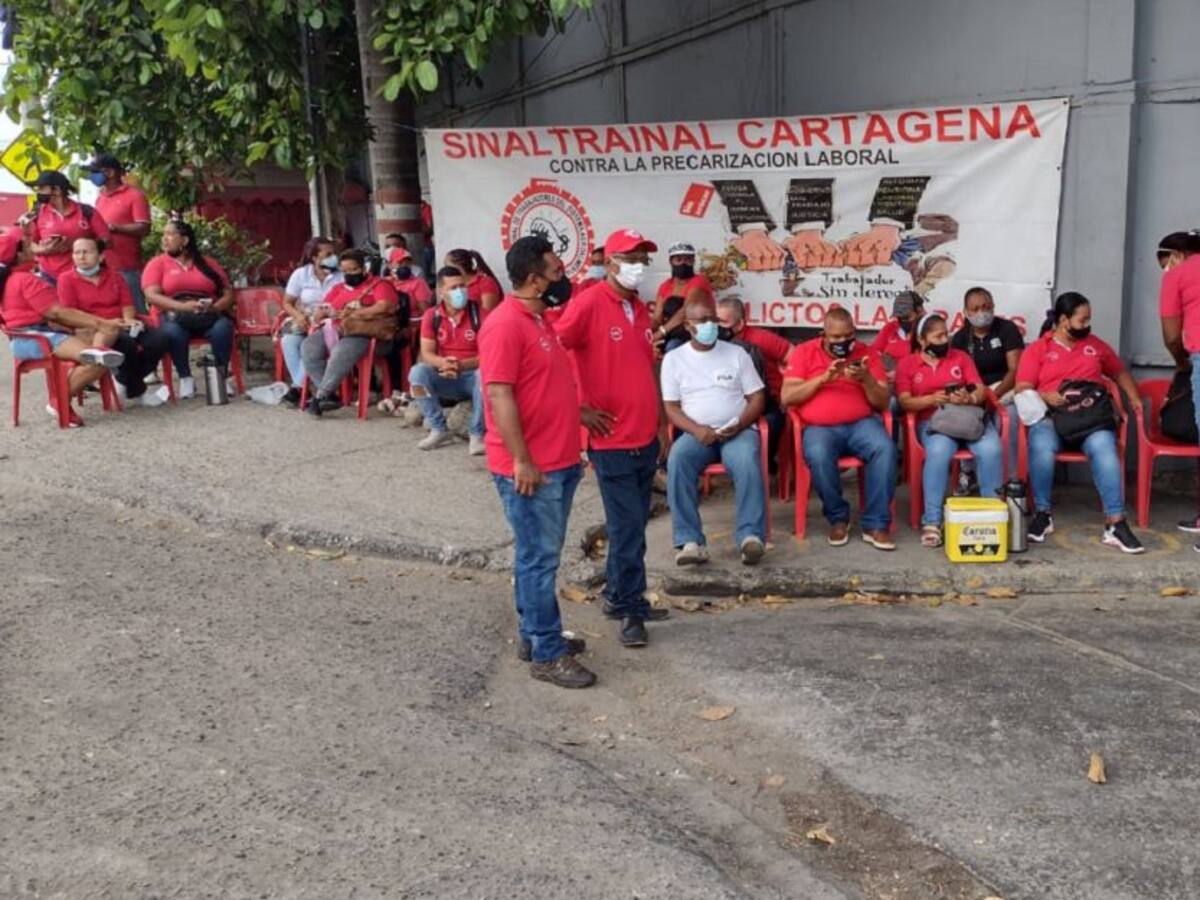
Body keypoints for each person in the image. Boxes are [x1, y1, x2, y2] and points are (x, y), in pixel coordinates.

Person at [479, 234, 594, 689]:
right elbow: (499, 393)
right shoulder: (505, 325)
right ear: (533, 279)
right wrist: (521, 461)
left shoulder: (539, 320)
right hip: (532, 468)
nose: (562, 277)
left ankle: (534, 635)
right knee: (538, 561)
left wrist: (578, 418)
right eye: (556, 271)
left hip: (559, 459)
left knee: (537, 557)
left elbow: (540, 387)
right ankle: (547, 653)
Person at [556, 228, 669, 648]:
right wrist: (578, 409)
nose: (639, 265)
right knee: (627, 529)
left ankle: (621, 597)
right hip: (612, 440)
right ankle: (629, 606)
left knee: (634, 524)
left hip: (643, 435)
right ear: (611, 261)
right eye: (631, 257)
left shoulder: (638, 310)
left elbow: (644, 370)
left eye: (643, 257)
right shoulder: (587, 304)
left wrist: (660, 422)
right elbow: (551, 352)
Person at [1015, 291, 1144, 553]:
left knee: (1105, 448)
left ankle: (1115, 523)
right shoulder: (1038, 349)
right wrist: (1044, 395)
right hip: (1053, 418)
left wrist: (1135, 399)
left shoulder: (1095, 346)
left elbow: (1119, 372)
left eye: (1089, 320)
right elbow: (1022, 387)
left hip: (1090, 418)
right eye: (1082, 320)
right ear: (1064, 320)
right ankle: (1042, 514)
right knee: (1040, 444)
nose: (1087, 325)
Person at [662, 300, 768, 567]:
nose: (709, 325)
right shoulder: (674, 359)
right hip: (698, 435)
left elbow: (757, 397)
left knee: (746, 461)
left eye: (713, 319)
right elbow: (671, 408)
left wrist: (740, 423)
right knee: (678, 459)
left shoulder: (736, 354)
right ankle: (690, 541)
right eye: (702, 321)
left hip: (737, 430)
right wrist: (698, 430)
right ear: (687, 326)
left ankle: (750, 537)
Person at [781, 308, 897, 550]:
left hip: (861, 424)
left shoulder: (867, 354)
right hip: (819, 427)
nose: (842, 341)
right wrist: (823, 379)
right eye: (835, 337)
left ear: (854, 333)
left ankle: (876, 523)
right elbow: (788, 397)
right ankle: (837, 518)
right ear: (823, 334)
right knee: (818, 454)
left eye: (847, 336)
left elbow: (882, 403)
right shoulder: (805, 352)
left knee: (885, 448)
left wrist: (866, 379)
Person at [896, 313, 1004, 547]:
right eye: (939, 336)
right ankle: (932, 520)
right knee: (938, 452)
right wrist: (931, 399)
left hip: (968, 418)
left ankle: (992, 516)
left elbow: (980, 389)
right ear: (923, 340)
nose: (945, 339)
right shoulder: (908, 364)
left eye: (947, 334)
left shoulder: (961, 358)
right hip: (935, 423)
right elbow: (905, 402)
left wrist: (970, 397)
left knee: (992, 449)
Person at [0, 231, 124, 427]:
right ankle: (59, 401)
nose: (34, 247)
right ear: (19, 254)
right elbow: (57, 313)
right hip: (36, 338)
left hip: (29, 338)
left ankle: (62, 398)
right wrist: (99, 323)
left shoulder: (11, 278)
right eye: (28, 245)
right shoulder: (25, 279)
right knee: (98, 359)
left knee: (98, 348)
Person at [57, 236, 170, 408]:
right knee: (126, 344)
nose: (81, 256)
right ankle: (137, 390)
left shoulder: (114, 276)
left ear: (101, 256)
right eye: (77, 252)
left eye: (87, 252)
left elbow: (127, 304)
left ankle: (124, 381)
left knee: (159, 339)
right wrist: (105, 322)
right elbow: (72, 313)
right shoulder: (66, 279)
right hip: (93, 329)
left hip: (121, 323)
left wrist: (129, 320)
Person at [142, 219, 235, 400]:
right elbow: (151, 296)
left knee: (223, 327)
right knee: (173, 331)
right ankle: (185, 378)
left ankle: (220, 376)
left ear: (184, 240)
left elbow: (228, 293)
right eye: (164, 235)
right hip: (172, 314)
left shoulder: (207, 263)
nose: (164, 239)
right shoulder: (157, 264)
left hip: (207, 314)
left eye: (170, 234)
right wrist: (182, 307)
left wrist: (215, 307)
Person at [301, 249, 399, 416]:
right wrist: (324, 312)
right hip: (337, 330)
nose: (349, 274)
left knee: (343, 350)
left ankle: (322, 395)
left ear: (363, 268)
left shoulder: (379, 284)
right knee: (309, 347)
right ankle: (329, 394)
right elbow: (322, 309)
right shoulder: (339, 288)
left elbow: (385, 306)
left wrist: (354, 313)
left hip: (368, 334)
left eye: (353, 270)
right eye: (345, 271)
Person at [950, 285, 1025, 483]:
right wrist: (975, 398)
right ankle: (969, 472)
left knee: (1010, 417)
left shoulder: (1007, 329)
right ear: (965, 312)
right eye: (975, 309)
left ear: (993, 306)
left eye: (986, 306)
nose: (981, 312)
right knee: (964, 418)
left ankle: (1011, 479)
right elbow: (958, 377)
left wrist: (994, 396)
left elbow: (1015, 370)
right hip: (974, 394)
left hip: (1004, 390)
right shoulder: (959, 339)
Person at [408, 266, 485, 454]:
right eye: (453, 288)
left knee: (486, 374)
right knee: (417, 373)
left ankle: (477, 435)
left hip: (472, 376)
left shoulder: (480, 314)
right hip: (446, 375)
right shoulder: (431, 316)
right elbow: (427, 353)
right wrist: (443, 363)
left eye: (462, 286)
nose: (460, 291)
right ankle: (438, 429)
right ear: (441, 291)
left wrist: (463, 365)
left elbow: (490, 354)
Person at [1157, 230, 1200, 538]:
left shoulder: (1178, 275)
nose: (1165, 267)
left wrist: (1182, 362)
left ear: (1176, 254)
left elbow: (1172, 335)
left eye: (1165, 260)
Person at [716, 296, 792, 470]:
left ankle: (764, 462)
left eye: (723, 322)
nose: (717, 328)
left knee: (773, 422)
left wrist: (786, 389)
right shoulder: (711, 343)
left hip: (765, 397)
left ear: (740, 324)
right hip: (728, 400)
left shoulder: (760, 338)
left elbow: (792, 354)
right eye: (715, 321)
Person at [85, 154, 152, 314]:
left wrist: (114, 228)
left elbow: (144, 228)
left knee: (137, 311)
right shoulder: (100, 197)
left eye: (95, 171)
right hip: (103, 267)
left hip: (127, 266)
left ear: (110, 172)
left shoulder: (134, 195)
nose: (91, 176)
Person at [280, 237, 343, 406]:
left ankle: (298, 389)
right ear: (315, 257)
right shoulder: (301, 274)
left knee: (308, 346)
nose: (333, 257)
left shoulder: (341, 276)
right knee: (288, 341)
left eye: (334, 253)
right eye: (328, 254)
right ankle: (304, 388)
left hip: (330, 322)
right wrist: (298, 316)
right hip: (306, 319)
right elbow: (287, 302)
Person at [19, 170, 111, 280]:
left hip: (82, 276)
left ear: (56, 190)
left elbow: (107, 241)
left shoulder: (87, 211)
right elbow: (30, 245)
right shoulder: (37, 213)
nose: (39, 192)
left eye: (42, 188)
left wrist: (78, 245)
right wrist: (44, 250)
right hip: (48, 276)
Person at [653, 241, 714, 350]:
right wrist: (647, 334)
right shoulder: (665, 286)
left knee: (673, 347)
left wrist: (661, 332)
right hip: (671, 333)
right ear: (671, 262)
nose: (683, 264)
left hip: (695, 335)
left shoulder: (699, 281)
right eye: (678, 260)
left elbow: (685, 310)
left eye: (688, 260)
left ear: (693, 261)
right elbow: (657, 317)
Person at [872, 290, 925, 373]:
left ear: (920, 311)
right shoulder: (890, 328)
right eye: (900, 317)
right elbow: (874, 352)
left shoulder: (929, 329)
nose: (903, 321)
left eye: (907, 317)